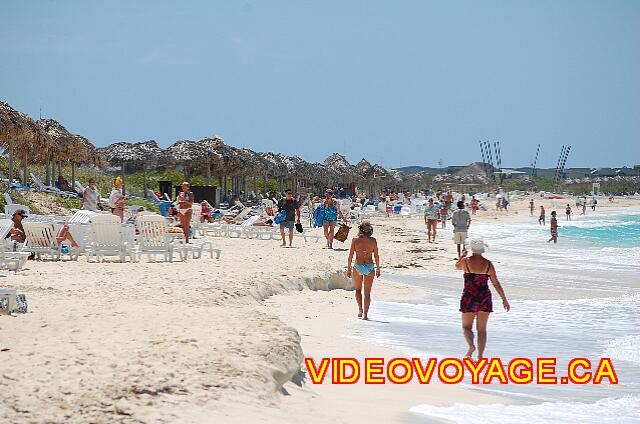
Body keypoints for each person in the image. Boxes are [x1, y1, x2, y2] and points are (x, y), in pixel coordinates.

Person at [455, 239, 510, 359]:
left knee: (466, 327)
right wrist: (504, 299)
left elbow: (456, 266)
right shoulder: (488, 264)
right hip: (484, 298)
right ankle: (480, 356)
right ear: (482, 249)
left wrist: (463, 255)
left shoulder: (466, 262)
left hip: (469, 297)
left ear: (472, 249)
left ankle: (471, 346)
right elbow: (496, 283)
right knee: (482, 330)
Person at [346, 221, 381, 320]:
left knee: (358, 290)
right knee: (367, 293)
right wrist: (378, 268)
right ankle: (365, 315)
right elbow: (376, 256)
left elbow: (351, 255)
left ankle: (360, 310)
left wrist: (348, 268)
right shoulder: (373, 241)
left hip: (358, 266)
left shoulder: (355, 240)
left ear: (360, 229)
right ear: (370, 230)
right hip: (369, 266)